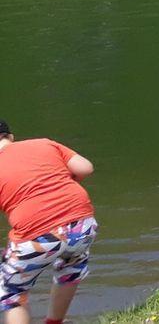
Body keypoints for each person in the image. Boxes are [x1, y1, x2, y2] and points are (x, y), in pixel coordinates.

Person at [0, 120, 97, 324]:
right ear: (10, 137)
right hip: (81, 224)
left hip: (37, 234)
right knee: (70, 271)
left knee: (11, 293)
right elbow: (85, 168)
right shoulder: (44, 143)